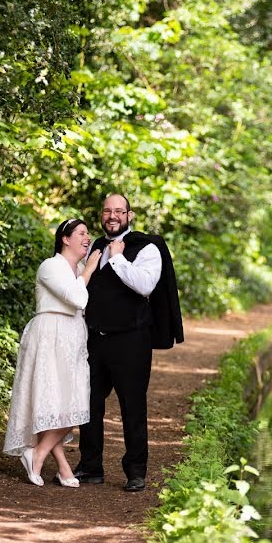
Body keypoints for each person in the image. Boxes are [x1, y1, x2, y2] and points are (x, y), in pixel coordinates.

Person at [73, 194, 178, 492]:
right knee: (89, 404)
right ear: (101, 216)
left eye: (119, 211)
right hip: (95, 340)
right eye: (107, 211)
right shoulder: (94, 246)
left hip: (131, 341)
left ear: (130, 216)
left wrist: (118, 257)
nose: (112, 216)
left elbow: (145, 284)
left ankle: (135, 471)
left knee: (132, 406)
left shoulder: (148, 247)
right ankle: (91, 467)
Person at [3, 219, 102, 487]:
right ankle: (46, 460)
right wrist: (90, 270)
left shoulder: (79, 269)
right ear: (65, 239)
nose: (87, 237)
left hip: (73, 336)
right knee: (54, 402)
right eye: (81, 233)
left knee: (73, 405)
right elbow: (77, 298)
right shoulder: (50, 266)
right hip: (49, 333)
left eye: (88, 233)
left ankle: (42, 456)